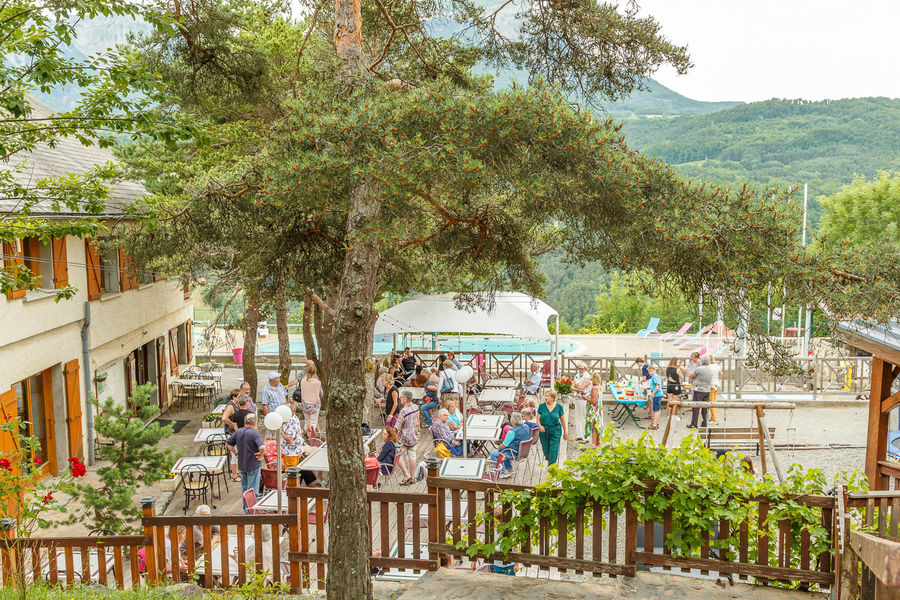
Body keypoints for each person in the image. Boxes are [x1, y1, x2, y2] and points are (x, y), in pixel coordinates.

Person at [226, 413, 264, 513]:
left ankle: (245, 510)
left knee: (244, 488)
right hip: (253, 465)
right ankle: (250, 512)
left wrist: (236, 453)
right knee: (252, 490)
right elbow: (262, 447)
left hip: (242, 465)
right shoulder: (255, 434)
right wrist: (261, 454)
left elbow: (228, 443)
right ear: (255, 422)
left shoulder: (238, 431)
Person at [489, 412, 531, 478]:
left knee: (493, 453)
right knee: (505, 450)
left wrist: (499, 448)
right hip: (524, 452)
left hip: (514, 454)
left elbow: (504, 445)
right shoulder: (526, 427)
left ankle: (504, 472)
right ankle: (510, 469)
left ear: (512, 421)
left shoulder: (512, 432)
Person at [395, 391, 420, 485]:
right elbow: (418, 421)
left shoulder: (403, 411)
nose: (400, 399)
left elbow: (398, 426)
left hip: (404, 437)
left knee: (397, 454)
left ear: (405, 399)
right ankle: (412, 477)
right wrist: (418, 432)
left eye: (401, 397)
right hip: (414, 436)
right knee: (412, 456)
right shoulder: (416, 407)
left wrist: (394, 434)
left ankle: (406, 474)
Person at [537, 389, 566, 464]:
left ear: (553, 397)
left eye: (548, 396)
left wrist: (565, 432)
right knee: (545, 449)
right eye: (545, 396)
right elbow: (538, 419)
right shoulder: (541, 406)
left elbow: (562, 420)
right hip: (544, 430)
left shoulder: (559, 407)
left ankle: (552, 466)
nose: (546, 398)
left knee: (553, 449)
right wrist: (540, 426)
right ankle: (549, 459)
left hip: (555, 430)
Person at [688, 355, 715, 429]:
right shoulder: (711, 369)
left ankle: (694, 424)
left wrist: (693, 377)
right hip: (707, 390)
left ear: (702, 361)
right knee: (705, 408)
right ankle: (704, 422)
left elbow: (691, 375)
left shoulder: (699, 369)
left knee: (696, 407)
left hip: (698, 389)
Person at [300, 364, 323, 438]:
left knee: (307, 420)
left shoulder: (302, 380)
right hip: (314, 403)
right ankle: (310, 436)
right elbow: (321, 393)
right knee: (313, 421)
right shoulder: (317, 382)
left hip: (304, 403)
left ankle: (305, 434)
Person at [571, 363, 591, 442]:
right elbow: (571, 386)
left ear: (585, 369)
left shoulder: (587, 377)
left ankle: (585, 436)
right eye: (579, 368)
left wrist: (576, 386)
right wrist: (576, 388)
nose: (580, 370)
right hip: (577, 397)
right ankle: (579, 435)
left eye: (582, 369)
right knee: (577, 416)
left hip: (584, 398)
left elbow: (582, 388)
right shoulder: (577, 375)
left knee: (583, 417)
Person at [585, 372, 604, 446]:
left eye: (591, 379)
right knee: (598, 425)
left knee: (593, 426)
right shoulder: (599, 386)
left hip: (594, 410)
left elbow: (593, 401)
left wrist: (585, 398)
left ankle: (593, 443)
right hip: (598, 409)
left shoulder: (594, 389)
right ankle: (597, 443)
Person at [647, 364, 664, 430]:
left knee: (656, 410)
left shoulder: (655, 377)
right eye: (649, 371)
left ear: (655, 370)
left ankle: (654, 424)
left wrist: (653, 393)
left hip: (657, 395)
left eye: (651, 371)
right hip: (658, 394)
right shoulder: (655, 376)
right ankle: (655, 423)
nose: (650, 372)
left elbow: (658, 386)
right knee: (657, 409)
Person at [708, 355, 723, 423]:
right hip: (717, 384)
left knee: (711, 403)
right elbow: (721, 374)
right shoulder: (717, 366)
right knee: (714, 401)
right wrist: (717, 378)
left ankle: (714, 419)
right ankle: (712, 417)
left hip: (711, 385)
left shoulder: (708, 367)